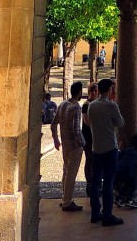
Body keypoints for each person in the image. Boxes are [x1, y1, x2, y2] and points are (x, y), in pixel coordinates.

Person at [84, 78, 125, 226]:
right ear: (109, 90)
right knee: (108, 183)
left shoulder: (92, 106)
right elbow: (120, 122)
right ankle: (107, 215)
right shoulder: (111, 106)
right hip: (110, 148)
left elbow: (90, 122)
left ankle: (95, 212)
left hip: (96, 148)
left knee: (95, 182)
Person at [51, 81, 85, 211]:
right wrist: (82, 142)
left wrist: (56, 139)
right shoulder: (76, 107)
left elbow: (54, 123)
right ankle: (67, 202)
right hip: (75, 145)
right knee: (71, 173)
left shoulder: (63, 104)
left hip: (65, 143)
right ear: (80, 92)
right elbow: (76, 128)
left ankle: (65, 198)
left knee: (66, 171)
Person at [115, 133, 137, 208]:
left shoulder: (127, 150)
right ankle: (129, 199)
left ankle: (119, 198)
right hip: (131, 174)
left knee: (127, 184)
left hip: (118, 172)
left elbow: (118, 157)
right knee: (133, 184)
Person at [81, 81, 98, 196]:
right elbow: (86, 121)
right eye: (93, 90)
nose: (95, 93)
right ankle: (89, 183)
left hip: (96, 136)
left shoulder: (97, 103)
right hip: (88, 136)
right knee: (89, 159)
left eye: (96, 91)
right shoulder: (86, 104)